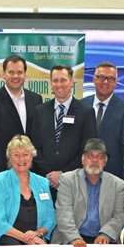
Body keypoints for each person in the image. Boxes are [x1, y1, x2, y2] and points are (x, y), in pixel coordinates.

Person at [31, 64, 97, 197]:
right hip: (44, 182)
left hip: (74, 182)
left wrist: (62, 174)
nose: (59, 84)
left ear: (72, 82)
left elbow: (87, 150)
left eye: (63, 80)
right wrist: (50, 175)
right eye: (55, 80)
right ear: (50, 84)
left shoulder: (86, 112)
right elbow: (34, 146)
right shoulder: (40, 111)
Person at [0, 135, 55, 247]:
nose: (21, 159)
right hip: (3, 237)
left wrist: (37, 233)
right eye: (16, 155)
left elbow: (50, 217)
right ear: (9, 157)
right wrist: (27, 239)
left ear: (31, 156)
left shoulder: (42, 183)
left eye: (25, 154)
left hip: (35, 238)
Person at [51, 138, 124, 247]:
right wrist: (74, 238)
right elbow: (63, 212)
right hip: (70, 238)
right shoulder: (67, 180)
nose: (94, 160)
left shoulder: (118, 184)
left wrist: (105, 234)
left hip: (104, 240)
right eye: (90, 156)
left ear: (105, 162)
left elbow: (119, 216)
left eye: (100, 157)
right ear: (83, 160)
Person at [0, 55, 43, 180]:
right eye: (11, 72)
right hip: (4, 173)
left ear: (25, 75)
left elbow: (38, 137)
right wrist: (2, 175)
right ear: (4, 74)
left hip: (32, 173)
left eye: (19, 72)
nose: (16, 76)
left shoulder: (36, 99)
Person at [81, 61, 124, 180]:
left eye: (110, 78)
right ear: (94, 79)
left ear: (116, 82)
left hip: (113, 177)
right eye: (101, 77)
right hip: (83, 175)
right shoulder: (81, 105)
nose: (105, 82)